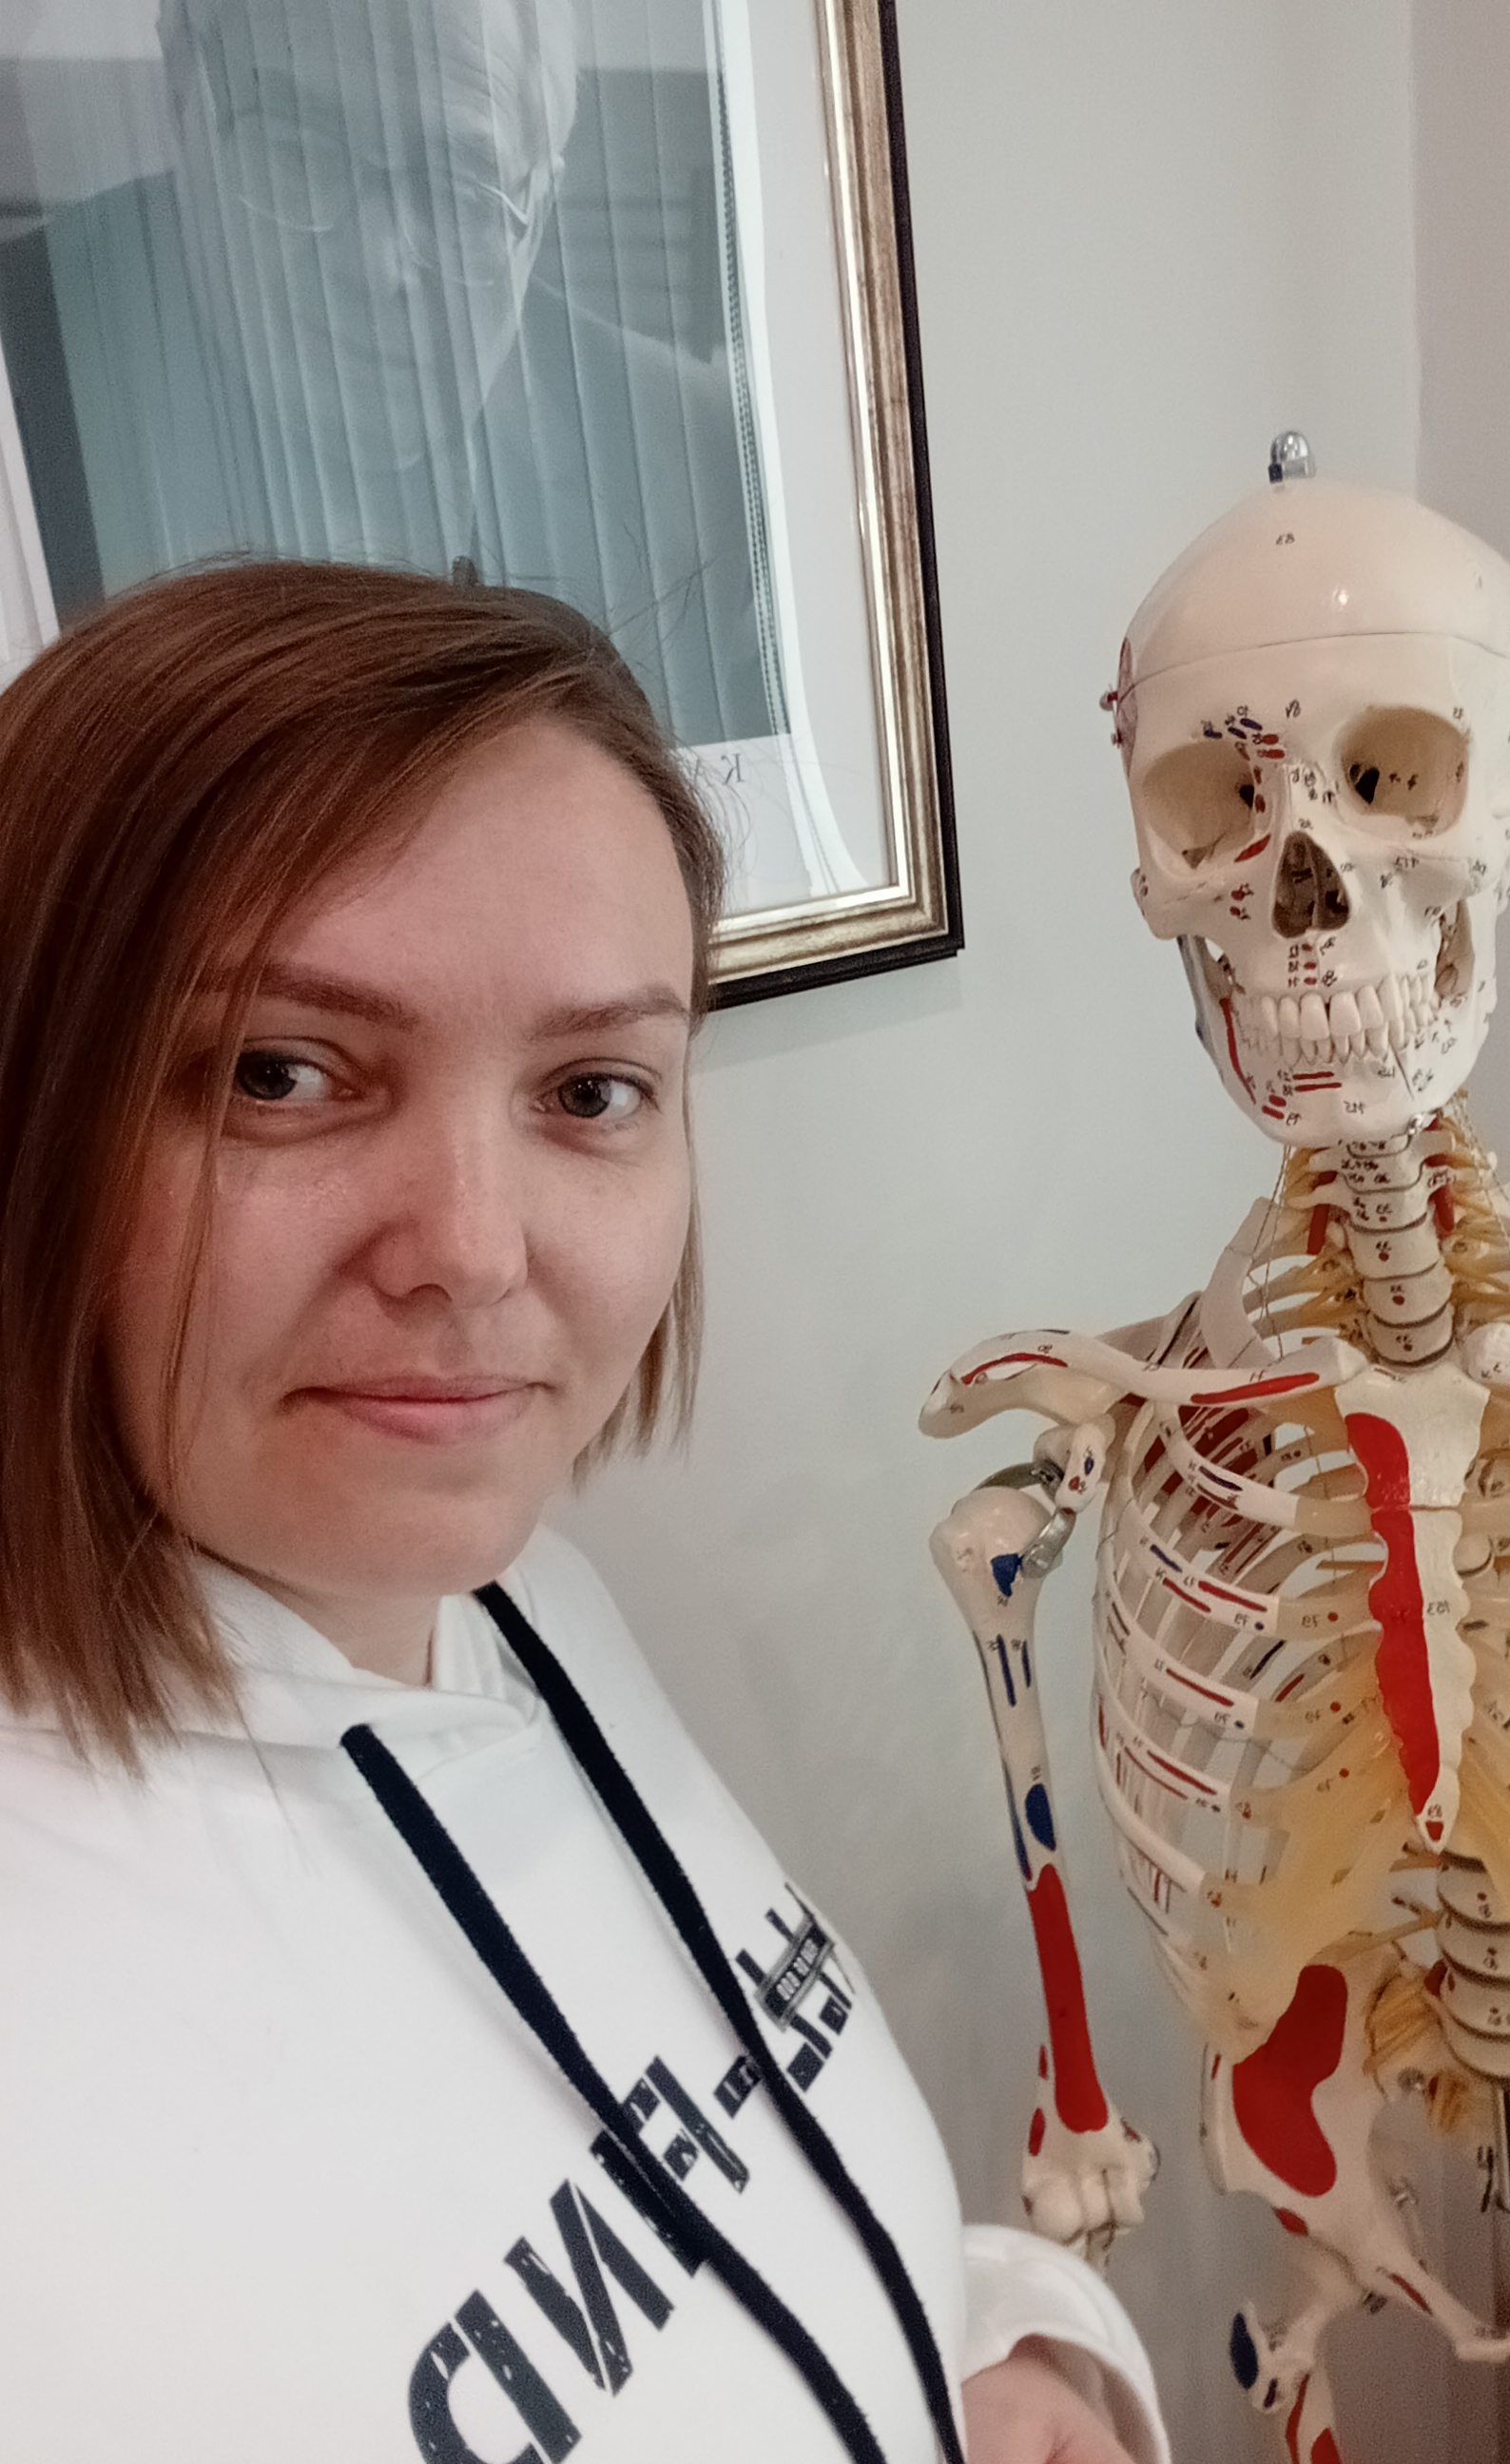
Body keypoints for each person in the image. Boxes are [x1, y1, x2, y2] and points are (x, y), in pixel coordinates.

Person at [0, 561, 1166, 2464]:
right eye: (283, 1074)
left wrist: (990, 2350)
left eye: (591, 1090)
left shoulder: (529, 1607)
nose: (473, 1251)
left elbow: (715, 2226)